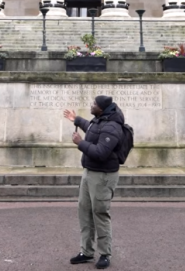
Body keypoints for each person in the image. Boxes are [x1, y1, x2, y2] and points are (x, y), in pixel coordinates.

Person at [63, 96, 124, 269]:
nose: (92, 105)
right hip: (89, 172)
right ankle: (87, 251)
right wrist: (76, 119)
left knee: (100, 213)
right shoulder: (100, 120)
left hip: (103, 176)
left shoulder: (112, 127)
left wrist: (80, 143)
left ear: (102, 109)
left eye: (94, 104)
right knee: (84, 212)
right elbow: (90, 127)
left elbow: (100, 153)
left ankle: (105, 254)